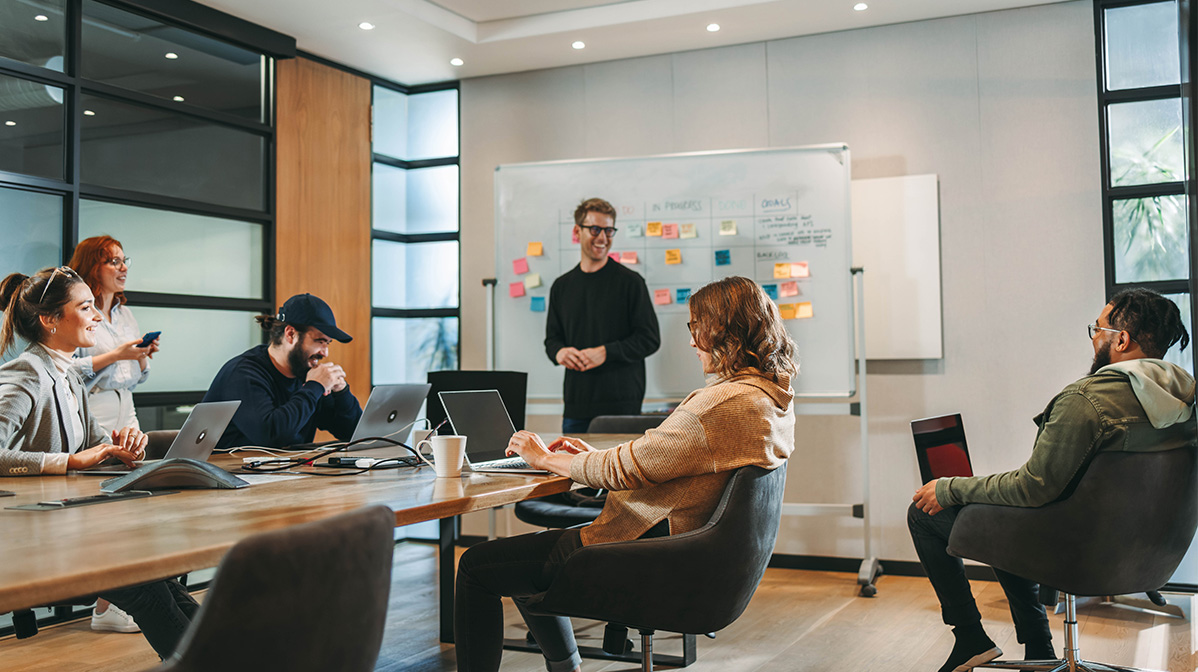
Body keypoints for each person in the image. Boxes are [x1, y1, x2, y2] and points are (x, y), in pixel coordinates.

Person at [456, 276, 797, 672]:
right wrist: (592, 457)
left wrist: (543, 458)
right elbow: (654, 457)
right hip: (688, 551)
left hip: (646, 550)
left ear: (723, 329)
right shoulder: (769, 396)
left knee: (478, 566)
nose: (691, 341)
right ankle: (566, 667)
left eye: (696, 327)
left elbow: (627, 468)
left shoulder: (722, 404)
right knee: (523, 557)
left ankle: (565, 665)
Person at [908, 288, 1195, 672]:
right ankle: (1038, 646)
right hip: (1149, 556)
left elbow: (1033, 487)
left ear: (1121, 340)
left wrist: (949, 486)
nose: (1094, 338)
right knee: (1003, 513)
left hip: (1081, 553)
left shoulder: (1088, 399)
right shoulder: (1186, 402)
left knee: (925, 514)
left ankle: (971, 639)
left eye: (1098, 329)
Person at [0, 266, 199, 659]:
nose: (97, 316)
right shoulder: (26, 372)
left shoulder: (69, 373)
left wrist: (123, 447)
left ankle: (223, 659)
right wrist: (69, 460)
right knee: (147, 589)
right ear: (50, 320)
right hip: (33, 537)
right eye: (86, 307)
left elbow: (96, 444)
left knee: (160, 580)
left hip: (75, 527)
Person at [67, 235, 159, 632]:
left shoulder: (124, 314)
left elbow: (133, 375)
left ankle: (112, 602)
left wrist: (140, 357)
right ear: (93, 268)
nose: (123, 268)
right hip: (94, 409)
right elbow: (73, 371)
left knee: (136, 501)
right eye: (113, 261)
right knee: (108, 507)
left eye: (125, 260)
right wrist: (119, 356)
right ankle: (106, 604)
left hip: (126, 405)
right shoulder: (79, 314)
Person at [544, 197, 661, 433]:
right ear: (577, 231)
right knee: (571, 469)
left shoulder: (631, 282)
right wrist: (560, 352)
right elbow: (552, 340)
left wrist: (606, 352)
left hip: (622, 406)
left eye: (609, 230)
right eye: (595, 229)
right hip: (576, 405)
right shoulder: (561, 286)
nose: (603, 238)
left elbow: (650, 339)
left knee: (620, 471)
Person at [202, 293, 362, 450]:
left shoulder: (305, 373)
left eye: (328, 343)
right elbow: (271, 436)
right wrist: (314, 386)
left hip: (283, 471)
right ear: (290, 334)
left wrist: (342, 393)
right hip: (223, 473)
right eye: (319, 341)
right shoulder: (243, 374)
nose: (324, 353)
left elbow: (352, 433)